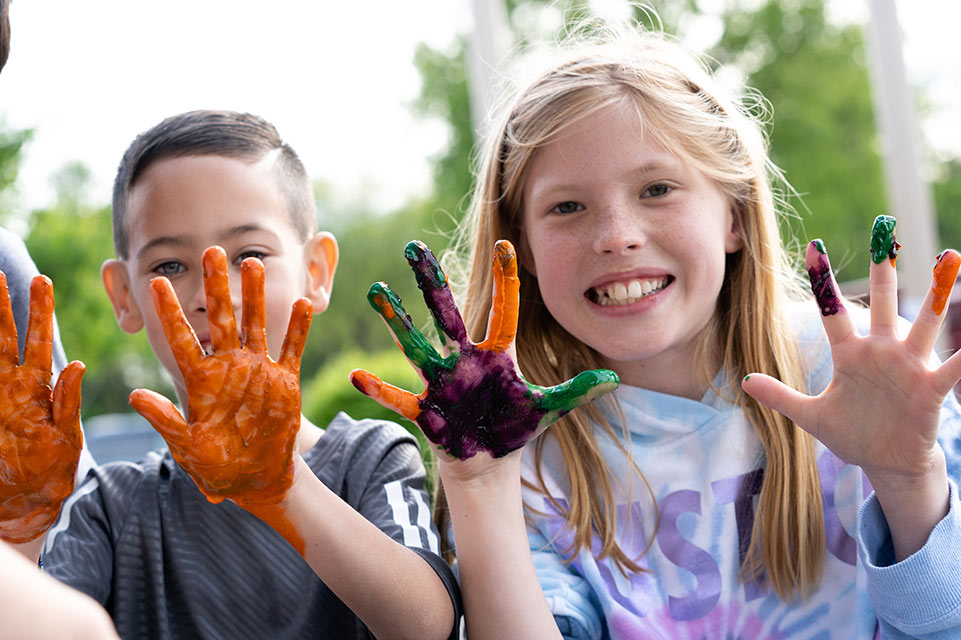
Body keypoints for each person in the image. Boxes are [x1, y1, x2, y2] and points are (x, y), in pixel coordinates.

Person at [350, 24, 961, 639]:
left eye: (658, 189)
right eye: (567, 207)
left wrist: (910, 482)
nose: (616, 234)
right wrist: (480, 487)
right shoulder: (522, 448)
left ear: (736, 216)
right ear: (524, 249)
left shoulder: (857, 371)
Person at [28, 110, 459, 640]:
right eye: (169, 266)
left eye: (249, 255)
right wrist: (20, 528)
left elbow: (428, 626)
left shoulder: (369, 458)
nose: (215, 294)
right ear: (124, 295)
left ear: (316, 272)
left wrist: (284, 486)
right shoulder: (110, 506)